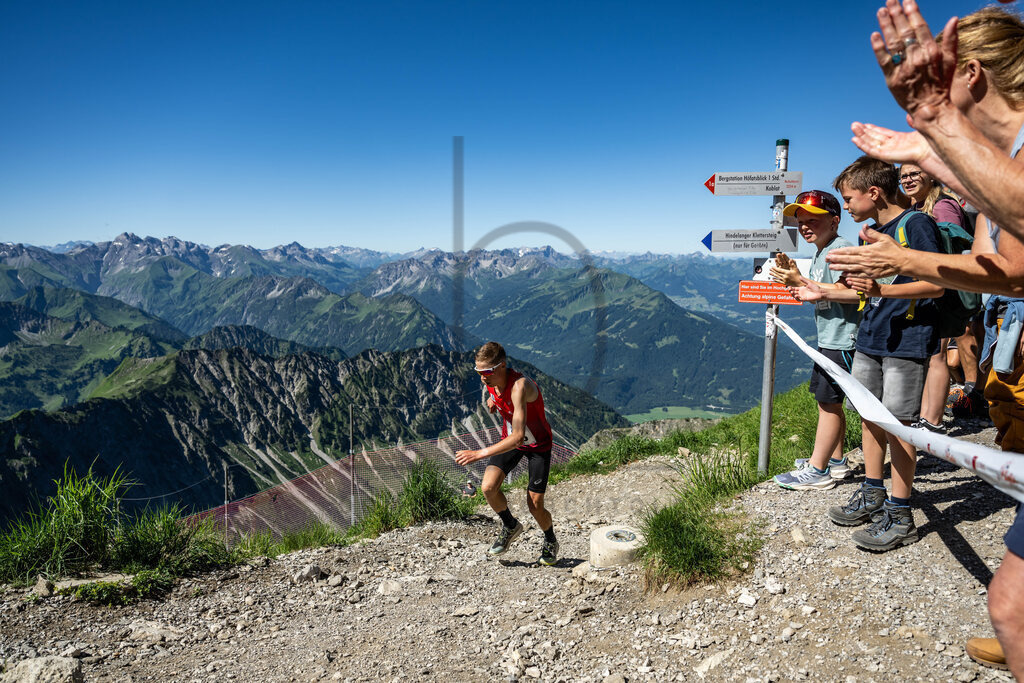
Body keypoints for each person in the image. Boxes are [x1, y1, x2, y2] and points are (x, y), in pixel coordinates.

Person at [832, 3, 1024, 673]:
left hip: (926, 344)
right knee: (1011, 604)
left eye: (942, 80)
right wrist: (897, 260)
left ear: (971, 73)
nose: (934, 97)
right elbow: (1007, 271)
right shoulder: (992, 169)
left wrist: (934, 132)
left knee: (1010, 604)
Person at [822, 156, 945, 552]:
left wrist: (880, 291)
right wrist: (830, 287)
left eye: (848, 199)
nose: (846, 207)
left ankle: (901, 511)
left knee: (899, 425)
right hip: (872, 334)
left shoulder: (916, 225)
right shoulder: (870, 233)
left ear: (873, 193)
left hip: (907, 339)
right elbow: (866, 289)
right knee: (870, 417)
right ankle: (873, 490)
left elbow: (938, 283)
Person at [769, 190, 860, 491]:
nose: (804, 226)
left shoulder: (841, 249)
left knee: (828, 403)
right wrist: (799, 281)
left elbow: (854, 293)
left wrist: (800, 282)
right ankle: (835, 460)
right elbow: (824, 296)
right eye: (800, 221)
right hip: (832, 337)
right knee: (830, 401)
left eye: (813, 220)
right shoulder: (822, 251)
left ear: (834, 221)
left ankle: (817, 470)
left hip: (843, 339)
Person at [455, 342, 559, 566]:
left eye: (486, 372)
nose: (482, 377)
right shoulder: (492, 383)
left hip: (537, 446)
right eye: (478, 372)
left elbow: (519, 436)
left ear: (501, 366)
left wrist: (477, 454)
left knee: (535, 505)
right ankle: (510, 525)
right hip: (513, 444)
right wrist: (493, 402)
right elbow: (497, 399)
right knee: (488, 488)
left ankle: (550, 539)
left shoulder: (519, 387)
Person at [895, 163, 981, 433]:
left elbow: (952, 247)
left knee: (937, 353)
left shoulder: (942, 206)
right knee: (933, 353)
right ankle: (927, 415)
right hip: (933, 286)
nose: (907, 180)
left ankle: (932, 421)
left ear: (930, 175)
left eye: (913, 174)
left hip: (945, 288)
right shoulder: (918, 207)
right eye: (903, 176)